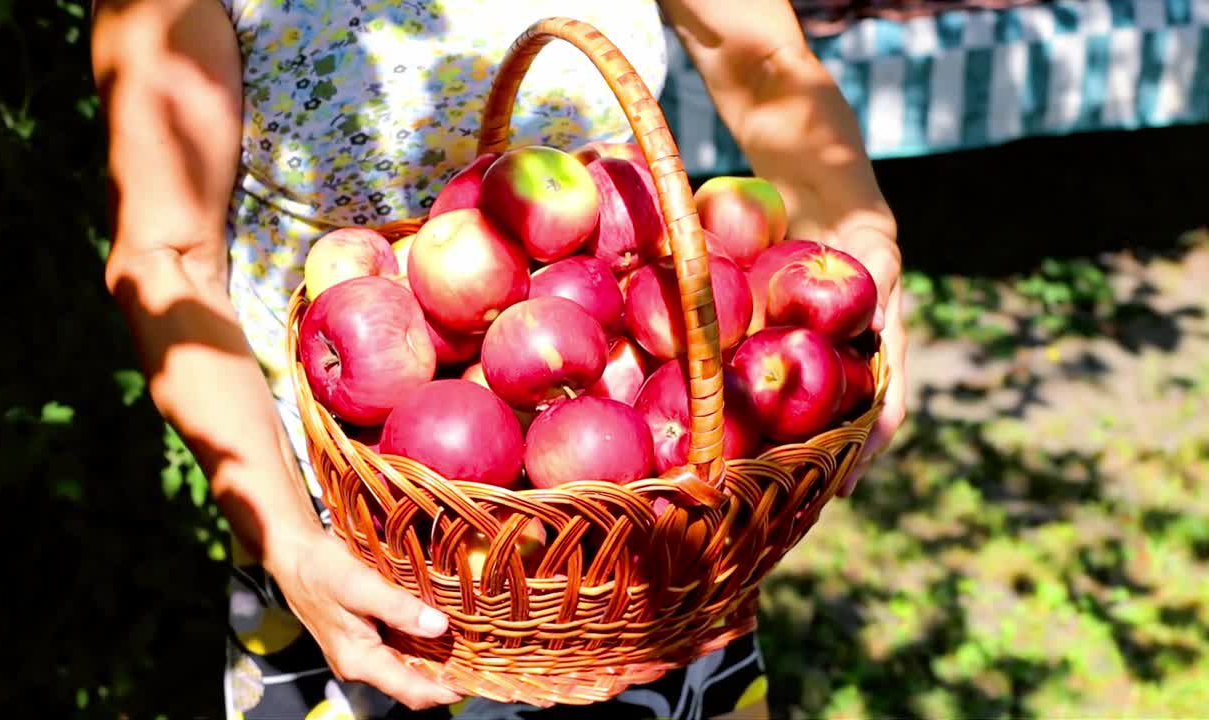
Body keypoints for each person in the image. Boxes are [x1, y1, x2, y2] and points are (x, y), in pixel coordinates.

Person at [88, 0, 906, 717]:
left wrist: (865, 245)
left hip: (647, 537)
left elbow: (762, 62)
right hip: (347, 550)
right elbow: (167, 258)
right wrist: (292, 548)